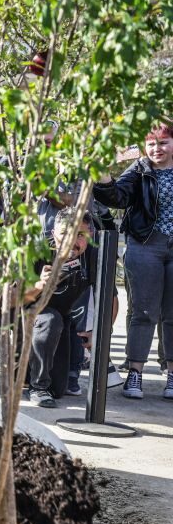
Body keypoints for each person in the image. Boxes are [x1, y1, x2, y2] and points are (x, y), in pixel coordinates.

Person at [94, 123, 173, 400]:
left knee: (172, 314)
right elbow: (117, 196)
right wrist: (101, 173)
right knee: (143, 312)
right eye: (151, 143)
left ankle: (172, 374)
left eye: (163, 143)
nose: (156, 149)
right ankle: (135, 372)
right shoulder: (140, 169)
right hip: (145, 246)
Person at [23, 208, 93, 406]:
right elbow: (11, 299)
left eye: (80, 235)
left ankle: (42, 379)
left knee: (58, 390)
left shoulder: (94, 253)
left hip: (64, 320)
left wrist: (99, 331)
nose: (71, 242)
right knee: (49, 318)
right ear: (53, 233)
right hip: (27, 316)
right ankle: (38, 386)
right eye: (65, 234)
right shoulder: (36, 250)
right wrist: (39, 285)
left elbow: (110, 297)